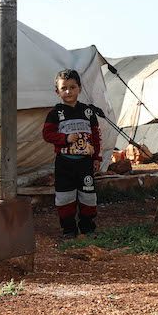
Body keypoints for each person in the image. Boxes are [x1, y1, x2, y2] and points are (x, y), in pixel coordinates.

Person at [42, 69, 102, 237]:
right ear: (57, 91)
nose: (68, 91)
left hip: (85, 163)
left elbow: (96, 136)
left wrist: (96, 157)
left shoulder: (88, 112)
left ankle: (88, 228)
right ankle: (69, 230)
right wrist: (65, 138)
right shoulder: (55, 113)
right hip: (64, 163)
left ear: (79, 89)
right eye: (64, 88)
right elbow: (47, 134)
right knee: (65, 197)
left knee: (88, 196)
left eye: (72, 87)